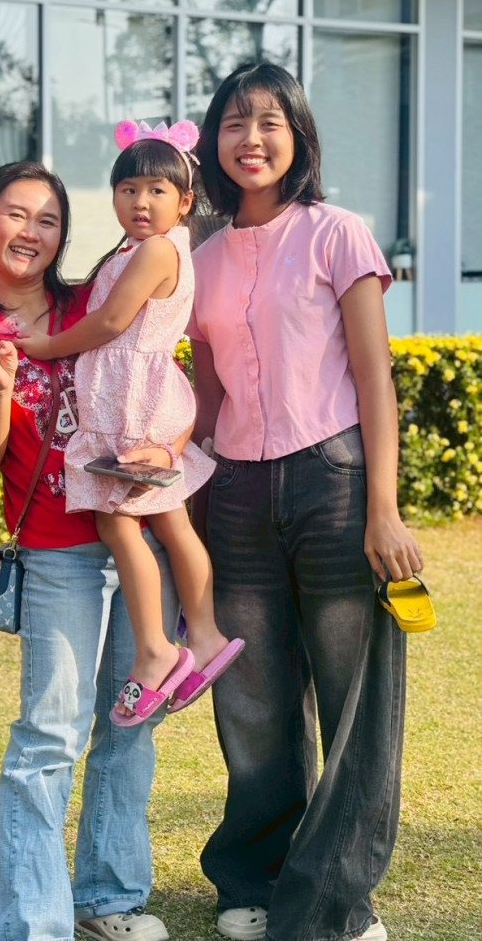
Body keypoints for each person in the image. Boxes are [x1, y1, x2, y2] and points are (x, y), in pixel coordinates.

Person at [0, 161, 186, 941]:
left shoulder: (96, 298)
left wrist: (169, 445)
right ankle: (34, 924)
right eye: (15, 214)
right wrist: (2, 386)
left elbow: (164, 372)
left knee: (129, 727)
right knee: (50, 737)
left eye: (48, 220)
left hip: (140, 536)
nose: (31, 232)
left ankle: (109, 898)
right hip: (57, 553)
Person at [188, 63, 423, 941]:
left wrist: (383, 508)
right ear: (213, 142)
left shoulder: (338, 234)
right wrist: (180, 493)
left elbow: (374, 376)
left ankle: (333, 902)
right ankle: (252, 877)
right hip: (236, 493)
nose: (250, 139)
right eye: (234, 123)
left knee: (353, 700)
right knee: (251, 699)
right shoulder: (200, 259)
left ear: (298, 136)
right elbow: (207, 398)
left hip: (335, 482)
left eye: (268, 122)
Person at [17, 121, 241, 725]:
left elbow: (113, 322)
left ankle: (155, 651)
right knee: (170, 522)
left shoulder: (159, 250)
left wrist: (45, 346)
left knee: (118, 524)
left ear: (185, 201)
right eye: (128, 189)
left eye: (156, 191)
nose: (141, 202)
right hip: (139, 400)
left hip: (133, 405)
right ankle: (205, 636)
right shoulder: (139, 249)